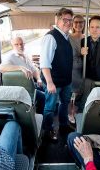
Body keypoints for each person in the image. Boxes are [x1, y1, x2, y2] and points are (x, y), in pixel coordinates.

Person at [40, 8, 74, 141]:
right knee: (50, 107)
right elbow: (44, 63)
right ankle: (48, 131)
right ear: (57, 20)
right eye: (65, 19)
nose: (68, 23)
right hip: (53, 81)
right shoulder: (51, 37)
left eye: (70, 20)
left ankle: (64, 125)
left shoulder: (66, 37)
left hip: (66, 81)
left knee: (64, 103)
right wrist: (49, 82)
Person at [0, 36, 45, 113]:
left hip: (32, 84)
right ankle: (40, 118)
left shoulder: (25, 55)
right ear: (12, 46)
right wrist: (20, 68)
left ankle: (50, 110)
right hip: (24, 89)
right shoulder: (10, 57)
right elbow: (1, 68)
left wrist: (38, 78)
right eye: (16, 44)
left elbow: (34, 69)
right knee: (43, 96)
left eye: (21, 44)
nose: (20, 46)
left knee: (47, 89)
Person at [68, 15, 85, 124]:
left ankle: (77, 112)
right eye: (76, 22)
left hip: (84, 69)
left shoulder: (87, 38)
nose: (78, 24)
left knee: (81, 93)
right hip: (72, 70)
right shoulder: (68, 38)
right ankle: (70, 113)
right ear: (73, 24)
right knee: (71, 94)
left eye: (81, 22)